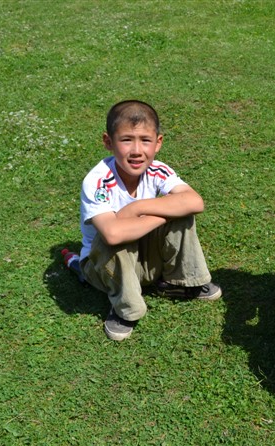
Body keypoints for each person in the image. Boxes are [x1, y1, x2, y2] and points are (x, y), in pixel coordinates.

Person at [64, 100, 221, 341]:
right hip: (102, 268)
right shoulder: (98, 181)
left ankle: (180, 283)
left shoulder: (157, 170)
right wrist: (165, 212)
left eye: (145, 140)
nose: (137, 150)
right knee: (114, 239)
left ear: (158, 143)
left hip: (143, 260)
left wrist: (137, 208)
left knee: (182, 213)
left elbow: (195, 202)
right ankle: (125, 309)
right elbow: (113, 234)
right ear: (108, 142)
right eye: (126, 140)